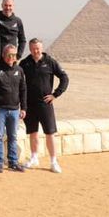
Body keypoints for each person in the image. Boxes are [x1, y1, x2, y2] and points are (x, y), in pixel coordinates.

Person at [19, 38, 69, 173]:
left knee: (50, 133)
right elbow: (18, 82)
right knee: (32, 132)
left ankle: (53, 161)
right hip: (29, 104)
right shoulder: (24, 63)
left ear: (42, 48)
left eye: (38, 48)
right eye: (33, 48)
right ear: (30, 49)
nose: (36, 51)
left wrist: (55, 94)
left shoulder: (50, 62)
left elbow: (64, 78)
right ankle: (34, 157)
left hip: (45, 103)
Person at [0, 44, 27, 173]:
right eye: (9, 55)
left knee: (13, 136)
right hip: (0, 109)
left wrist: (24, 108)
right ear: (3, 55)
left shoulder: (19, 70)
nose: (11, 57)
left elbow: (23, 90)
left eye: (14, 55)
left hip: (15, 109)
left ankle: (13, 162)